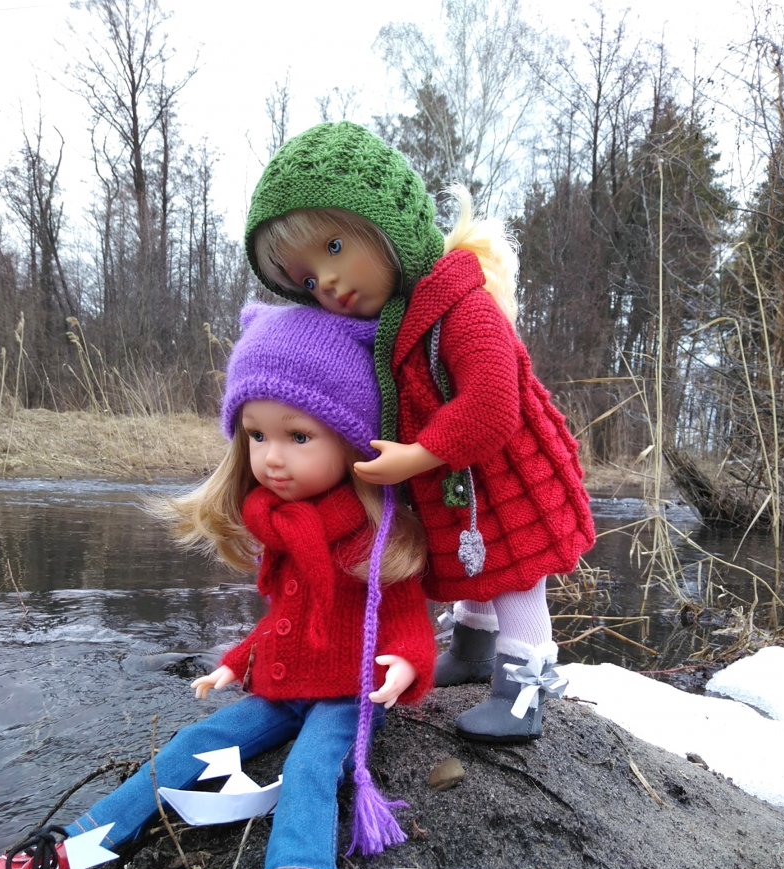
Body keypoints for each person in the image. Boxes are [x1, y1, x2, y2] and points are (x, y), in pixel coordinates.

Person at [0, 302, 437, 869]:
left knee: (312, 770)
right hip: (284, 686)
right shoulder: (283, 529)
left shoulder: (374, 538)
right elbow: (286, 620)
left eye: (298, 436)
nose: (271, 457)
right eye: (256, 436)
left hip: (347, 693)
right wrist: (236, 661)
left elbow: (404, 620)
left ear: (355, 443)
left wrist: (403, 666)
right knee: (195, 742)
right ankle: (68, 856)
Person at [242, 120, 597, 743]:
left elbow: (492, 404)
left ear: (388, 228)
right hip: (466, 485)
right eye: (303, 279)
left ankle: (525, 692)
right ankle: (473, 649)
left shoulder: (461, 304)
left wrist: (417, 456)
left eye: (331, 249)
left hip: (507, 477)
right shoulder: (404, 319)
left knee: (515, 578)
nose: (323, 282)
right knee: (477, 571)